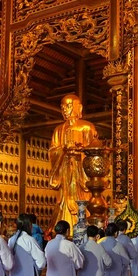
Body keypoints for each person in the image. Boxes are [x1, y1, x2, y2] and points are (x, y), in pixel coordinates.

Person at [48, 94, 99, 232]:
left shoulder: (87, 127)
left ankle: (84, 225)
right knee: (64, 199)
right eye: (63, 107)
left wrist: (79, 151)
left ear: (79, 108)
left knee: (83, 198)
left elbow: (93, 152)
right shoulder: (58, 130)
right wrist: (63, 150)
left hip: (80, 172)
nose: (65, 110)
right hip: (65, 170)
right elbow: (52, 151)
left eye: (69, 106)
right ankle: (63, 226)